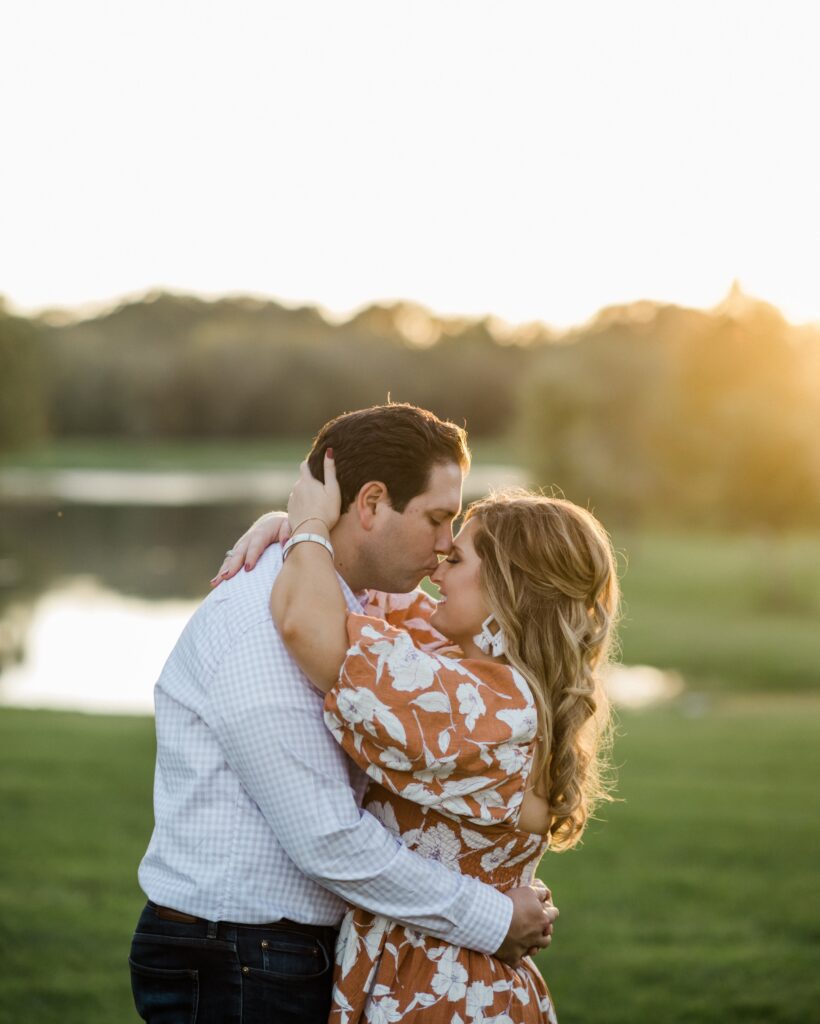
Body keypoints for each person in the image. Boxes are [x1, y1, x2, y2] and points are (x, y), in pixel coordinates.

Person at [129, 404, 557, 1024]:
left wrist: (297, 526)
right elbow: (328, 841)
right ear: (372, 503)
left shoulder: (355, 605)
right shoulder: (264, 629)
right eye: (438, 519)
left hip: (271, 953)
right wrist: (491, 918)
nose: (445, 548)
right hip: (241, 956)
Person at [247, 447, 620, 1023]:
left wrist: (309, 526)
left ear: (507, 588)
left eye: (458, 557)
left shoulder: (483, 707)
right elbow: (383, 598)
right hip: (449, 980)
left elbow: (306, 621)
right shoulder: (482, 680)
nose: (438, 567)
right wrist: (289, 527)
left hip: (439, 992)